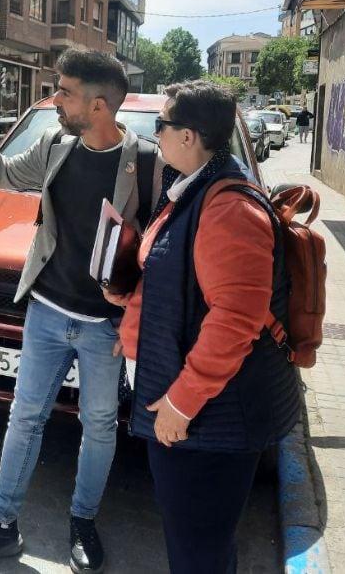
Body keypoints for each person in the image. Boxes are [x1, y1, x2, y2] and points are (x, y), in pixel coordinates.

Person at [0, 48, 158, 574]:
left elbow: (155, 249)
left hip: (102, 326)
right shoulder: (56, 144)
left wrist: (134, 314)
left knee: (99, 425)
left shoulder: (145, 162)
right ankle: (2, 526)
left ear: (99, 105)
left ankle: (83, 521)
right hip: (47, 312)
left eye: (64, 91)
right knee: (24, 417)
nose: (54, 99)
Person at [105, 80, 300, 574]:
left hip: (211, 424)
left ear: (189, 135)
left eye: (161, 126)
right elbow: (182, 285)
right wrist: (131, 316)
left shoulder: (229, 208)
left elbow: (235, 319)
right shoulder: (195, 190)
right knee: (194, 545)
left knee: (200, 554)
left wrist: (179, 403)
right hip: (195, 418)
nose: (156, 137)